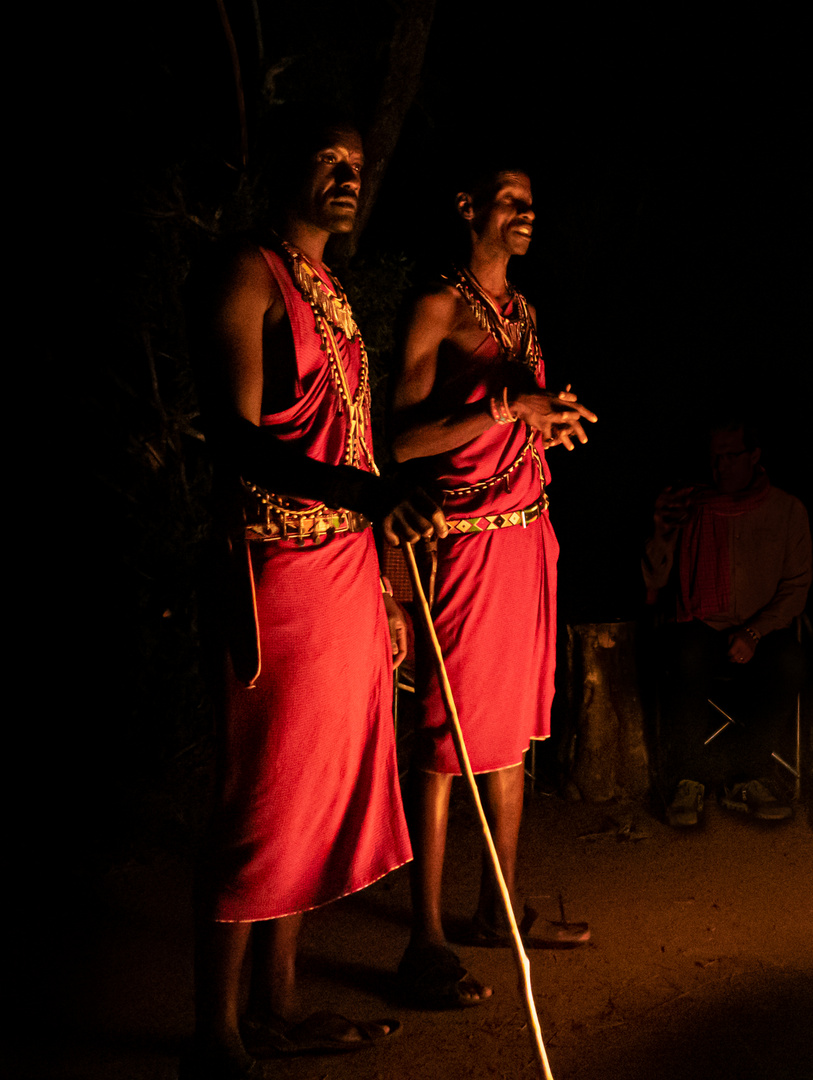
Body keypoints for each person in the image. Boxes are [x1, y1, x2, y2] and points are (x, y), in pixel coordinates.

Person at [188, 117, 447, 1079]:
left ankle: (279, 1007)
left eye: (358, 165)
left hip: (345, 565)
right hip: (276, 566)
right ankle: (212, 1040)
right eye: (328, 161)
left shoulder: (332, 289)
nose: (347, 176)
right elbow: (239, 437)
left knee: (313, 792)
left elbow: (353, 445)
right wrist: (367, 493)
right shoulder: (249, 272)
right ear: (286, 171)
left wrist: (380, 539)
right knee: (264, 793)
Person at [390, 164, 597, 1006]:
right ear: (468, 205)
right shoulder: (436, 307)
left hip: (524, 538)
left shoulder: (522, 312)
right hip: (463, 543)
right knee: (446, 740)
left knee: (511, 731)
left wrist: (551, 419)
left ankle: (499, 911)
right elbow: (399, 443)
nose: (527, 215)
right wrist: (507, 410)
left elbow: (521, 410)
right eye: (511, 202)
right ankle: (425, 935)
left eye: (533, 205)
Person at [642, 421, 811, 826]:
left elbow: (797, 586)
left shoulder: (787, 510)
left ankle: (746, 773)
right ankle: (688, 777)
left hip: (763, 627)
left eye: (730, 456)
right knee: (684, 656)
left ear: (754, 456)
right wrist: (663, 534)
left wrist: (754, 632)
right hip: (703, 622)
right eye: (714, 458)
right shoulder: (690, 506)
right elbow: (654, 583)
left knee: (790, 663)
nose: (720, 467)